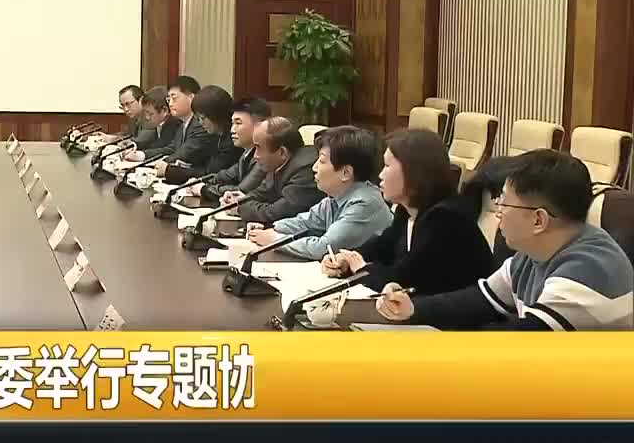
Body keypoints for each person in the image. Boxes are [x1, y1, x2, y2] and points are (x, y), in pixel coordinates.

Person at [377, 150, 633, 330]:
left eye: (504, 203)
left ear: (538, 220)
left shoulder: (588, 270)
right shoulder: (535, 253)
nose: (497, 212)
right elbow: (481, 299)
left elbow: (516, 342)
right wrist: (413, 308)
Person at [321, 128, 494, 295]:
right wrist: (346, 259)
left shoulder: (446, 219)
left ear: (414, 173)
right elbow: (382, 247)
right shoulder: (407, 211)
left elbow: (403, 279)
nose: (381, 175)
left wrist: (361, 268)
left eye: (387, 166)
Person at [246, 126, 393, 260]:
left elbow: (323, 248)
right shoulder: (335, 197)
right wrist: (271, 228)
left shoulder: (365, 203)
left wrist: (274, 239)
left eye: (322, 161)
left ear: (346, 173)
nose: (314, 167)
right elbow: (305, 222)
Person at [221, 117, 322, 224]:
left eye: (258, 148)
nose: (255, 156)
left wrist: (240, 209)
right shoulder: (277, 163)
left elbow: (276, 213)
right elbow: (262, 193)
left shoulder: (305, 169)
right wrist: (239, 199)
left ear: (282, 152)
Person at [193, 96, 270, 202]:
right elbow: (224, 176)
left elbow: (241, 191)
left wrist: (204, 189)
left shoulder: (265, 155)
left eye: (238, 123)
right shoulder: (247, 153)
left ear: (260, 125)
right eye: (232, 123)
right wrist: (198, 182)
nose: (232, 130)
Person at [162, 85, 242, 184]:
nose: (200, 123)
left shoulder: (233, 140)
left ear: (216, 115)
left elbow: (211, 173)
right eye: (198, 118)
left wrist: (173, 171)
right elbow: (205, 166)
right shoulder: (214, 136)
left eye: (202, 118)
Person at [124, 86, 181, 158]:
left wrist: (142, 155)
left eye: (150, 114)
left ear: (164, 111)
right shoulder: (158, 123)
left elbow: (170, 149)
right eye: (145, 113)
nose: (147, 117)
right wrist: (133, 146)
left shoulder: (176, 124)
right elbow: (153, 144)